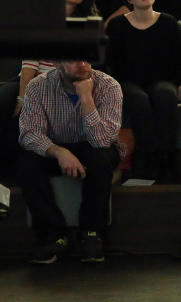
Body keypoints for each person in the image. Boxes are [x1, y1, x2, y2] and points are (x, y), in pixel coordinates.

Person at [0, 0, 96, 178]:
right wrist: (22, 97)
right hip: (31, 76)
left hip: (63, 81)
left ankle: (3, 171)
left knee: (19, 120)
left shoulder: (87, 24)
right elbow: (30, 61)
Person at [18, 60, 126, 264]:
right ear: (57, 63)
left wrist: (86, 98)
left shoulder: (108, 85)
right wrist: (60, 152)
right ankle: (52, 236)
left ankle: (92, 233)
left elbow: (102, 141)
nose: (82, 64)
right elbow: (29, 134)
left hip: (94, 147)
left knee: (99, 159)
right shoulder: (38, 85)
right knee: (27, 163)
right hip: (56, 145)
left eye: (85, 58)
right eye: (73, 60)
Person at [104, 0, 181, 180]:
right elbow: (108, 62)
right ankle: (146, 157)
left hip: (162, 80)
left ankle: (167, 157)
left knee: (165, 95)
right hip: (127, 82)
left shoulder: (168, 22)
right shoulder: (117, 25)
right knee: (139, 100)